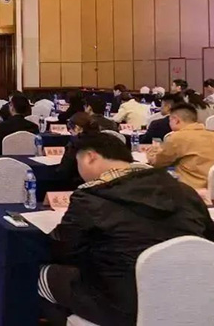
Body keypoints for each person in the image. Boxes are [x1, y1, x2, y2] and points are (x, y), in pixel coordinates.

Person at [39, 133, 214, 326]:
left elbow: (62, 250)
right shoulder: (185, 191)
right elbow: (207, 240)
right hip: (190, 297)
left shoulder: (91, 198)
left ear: (90, 157)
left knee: (37, 273)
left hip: (121, 307)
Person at [148, 103, 214, 189]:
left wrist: (151, 153)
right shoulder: (211, 134)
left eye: (170, 120)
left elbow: (158, 162)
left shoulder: (177, 137)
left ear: (176, 120)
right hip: (210, 188)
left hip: (190, 188)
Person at [56, 112, 99, 186]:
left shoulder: (75, 144)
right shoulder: (104, 140)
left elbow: (64, 171)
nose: (70, 133)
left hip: (76, 185)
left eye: (70, 130)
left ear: (77, 128)